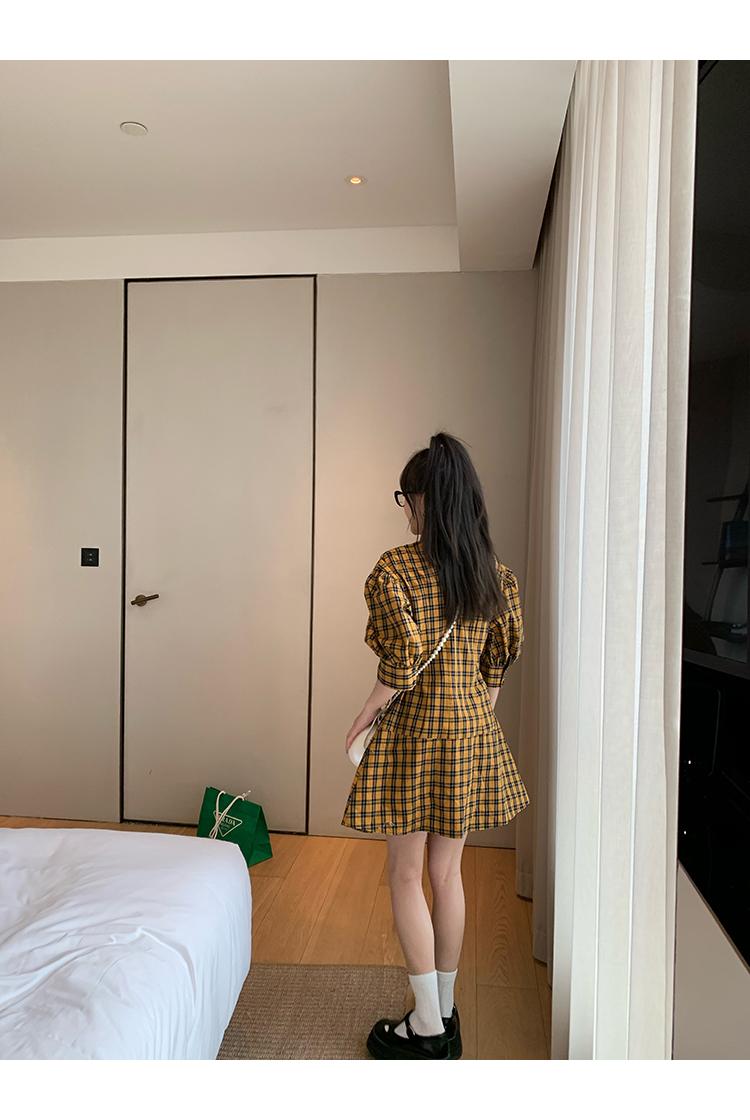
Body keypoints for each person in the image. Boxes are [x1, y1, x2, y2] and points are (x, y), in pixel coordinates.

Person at [342, 430, 530, 1060]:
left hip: (413, 738)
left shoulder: (396, 570)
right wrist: (468, 721)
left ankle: (425, 1026)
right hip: (470, 734)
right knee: (448, 875)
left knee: (405, 874)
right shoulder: (494, 576)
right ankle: (444, 1012)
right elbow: (495, 668)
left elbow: (399, 663)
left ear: (424, 499)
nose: (405, 510)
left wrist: (364, 714)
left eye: (407, 498)